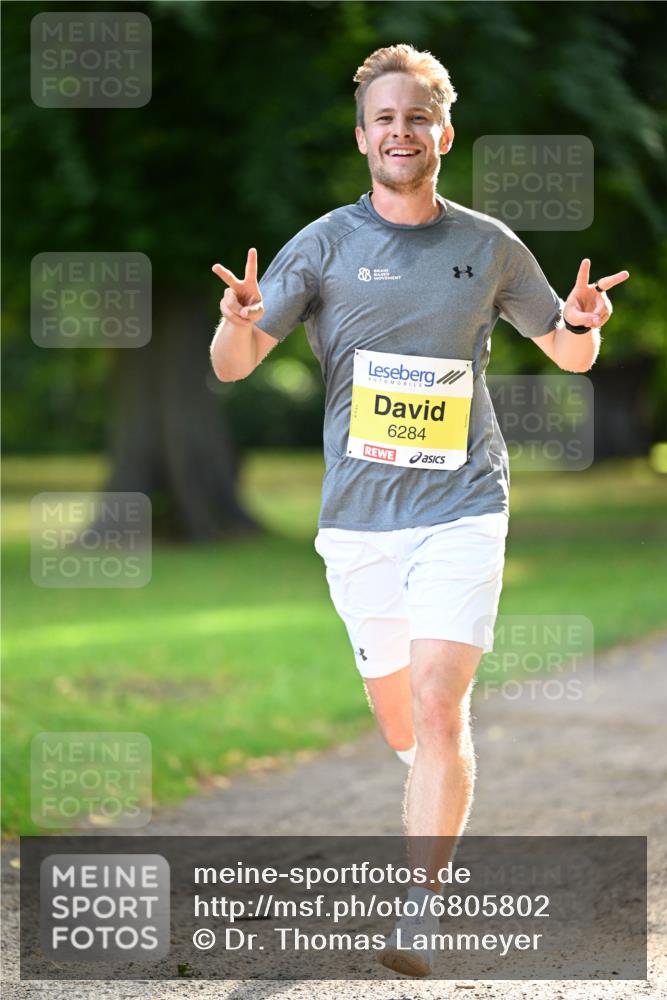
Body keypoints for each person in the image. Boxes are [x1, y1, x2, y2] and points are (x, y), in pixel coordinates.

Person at [209, 44, 629, 978]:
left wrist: (579, 323)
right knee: (398, 717)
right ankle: (423, 774)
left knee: (441, 708)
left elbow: (565, 355)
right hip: (357, 518)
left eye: (417, 117)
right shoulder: (321, 243)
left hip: (463, 502)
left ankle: (419, 907)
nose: (401, 132)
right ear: (364, 137)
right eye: (384, 118)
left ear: (444, 132)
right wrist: (239, 320)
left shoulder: (488, 246)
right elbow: (231, 365)